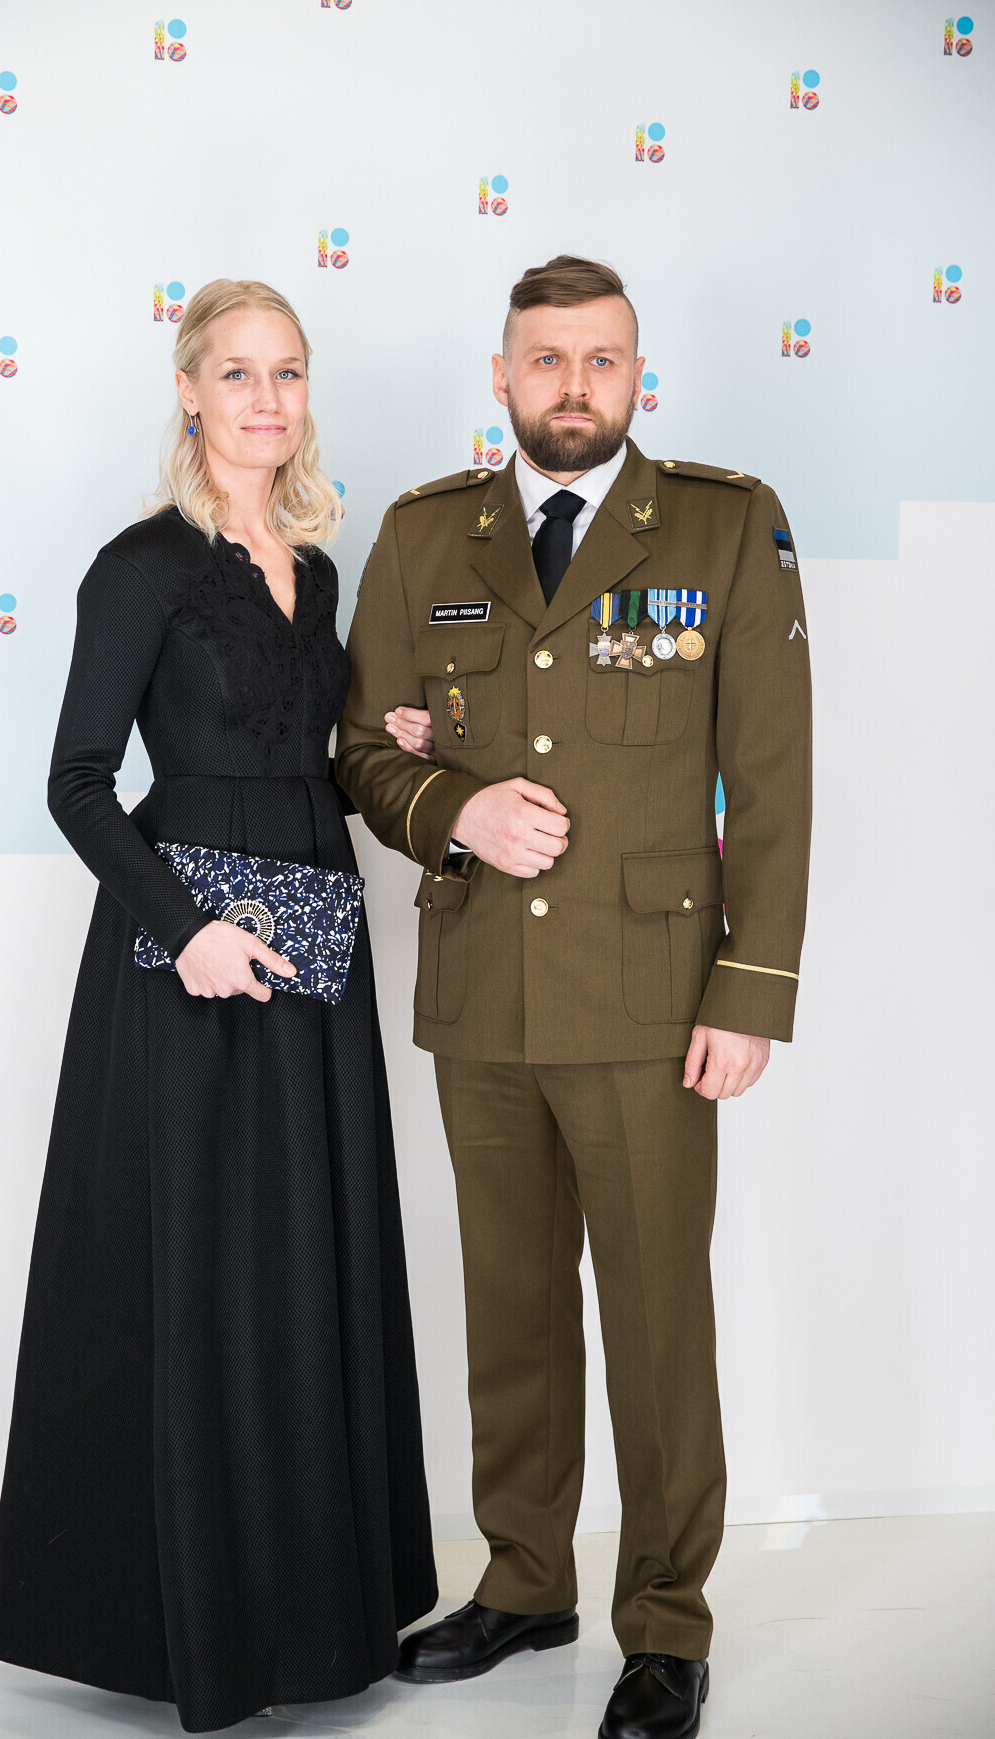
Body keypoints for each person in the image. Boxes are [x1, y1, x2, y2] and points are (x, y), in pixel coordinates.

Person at [336, 254, 812, 1739]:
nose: (573, 386)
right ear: (502, 375)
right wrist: (454, 811)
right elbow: (363, 750)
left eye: (601, 359)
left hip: (653, 1000)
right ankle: (525, 1578)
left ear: (637, 374)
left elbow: (773, 780)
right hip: (484, 991)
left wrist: (751, 989)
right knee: (514, 1314)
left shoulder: (724, 527)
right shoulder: (425, 535)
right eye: (545, 359)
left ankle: (665, 1623)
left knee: (659, 1325)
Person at [0, 278, 439, 1733]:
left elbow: (306, 754)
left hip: (314, 942)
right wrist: (184, 933)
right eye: (237, 373)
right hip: (187, 963)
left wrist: (385, 735)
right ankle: (201, 1632)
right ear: (188, 389)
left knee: (308, 1256)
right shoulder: (141, 568)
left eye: (287, 373)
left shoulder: (321, 565)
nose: (265, 399)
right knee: (202, 1270)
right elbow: (78, 782)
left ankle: (318, 1621)